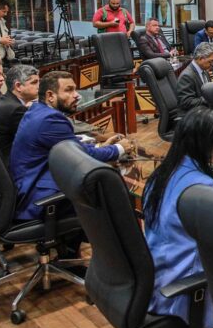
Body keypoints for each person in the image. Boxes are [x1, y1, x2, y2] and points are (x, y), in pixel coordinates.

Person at [143, 107, 213, 328]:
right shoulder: (204, 189)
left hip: (155, 282)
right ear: (209, 145)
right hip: (185, 294)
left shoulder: (161, 175)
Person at [10, 71, 126, 222]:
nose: (77, 95)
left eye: (75, 89)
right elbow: (82, 157)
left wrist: (100, 146)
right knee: (111, 191)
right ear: (50, 96)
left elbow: (72, 147)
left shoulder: (37, 110)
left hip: (31, 183)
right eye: (69, 90)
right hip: (39, 198)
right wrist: (120, 148)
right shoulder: (50, 119)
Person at [0, 64, 39, 158]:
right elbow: (36, 139)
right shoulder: (16, 109)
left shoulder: (5, 101)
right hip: (14, 165)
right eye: (34, 82)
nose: (38, 86)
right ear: (18, 86)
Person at [177, 43, 213, 113]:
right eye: (210, 61)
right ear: (201, 59)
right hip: (192, 115)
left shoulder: (204, 70)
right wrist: (210, 99)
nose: (212, 64)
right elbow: (186, 102)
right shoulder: (187, 76)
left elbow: (207, 91)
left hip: (203, 110)